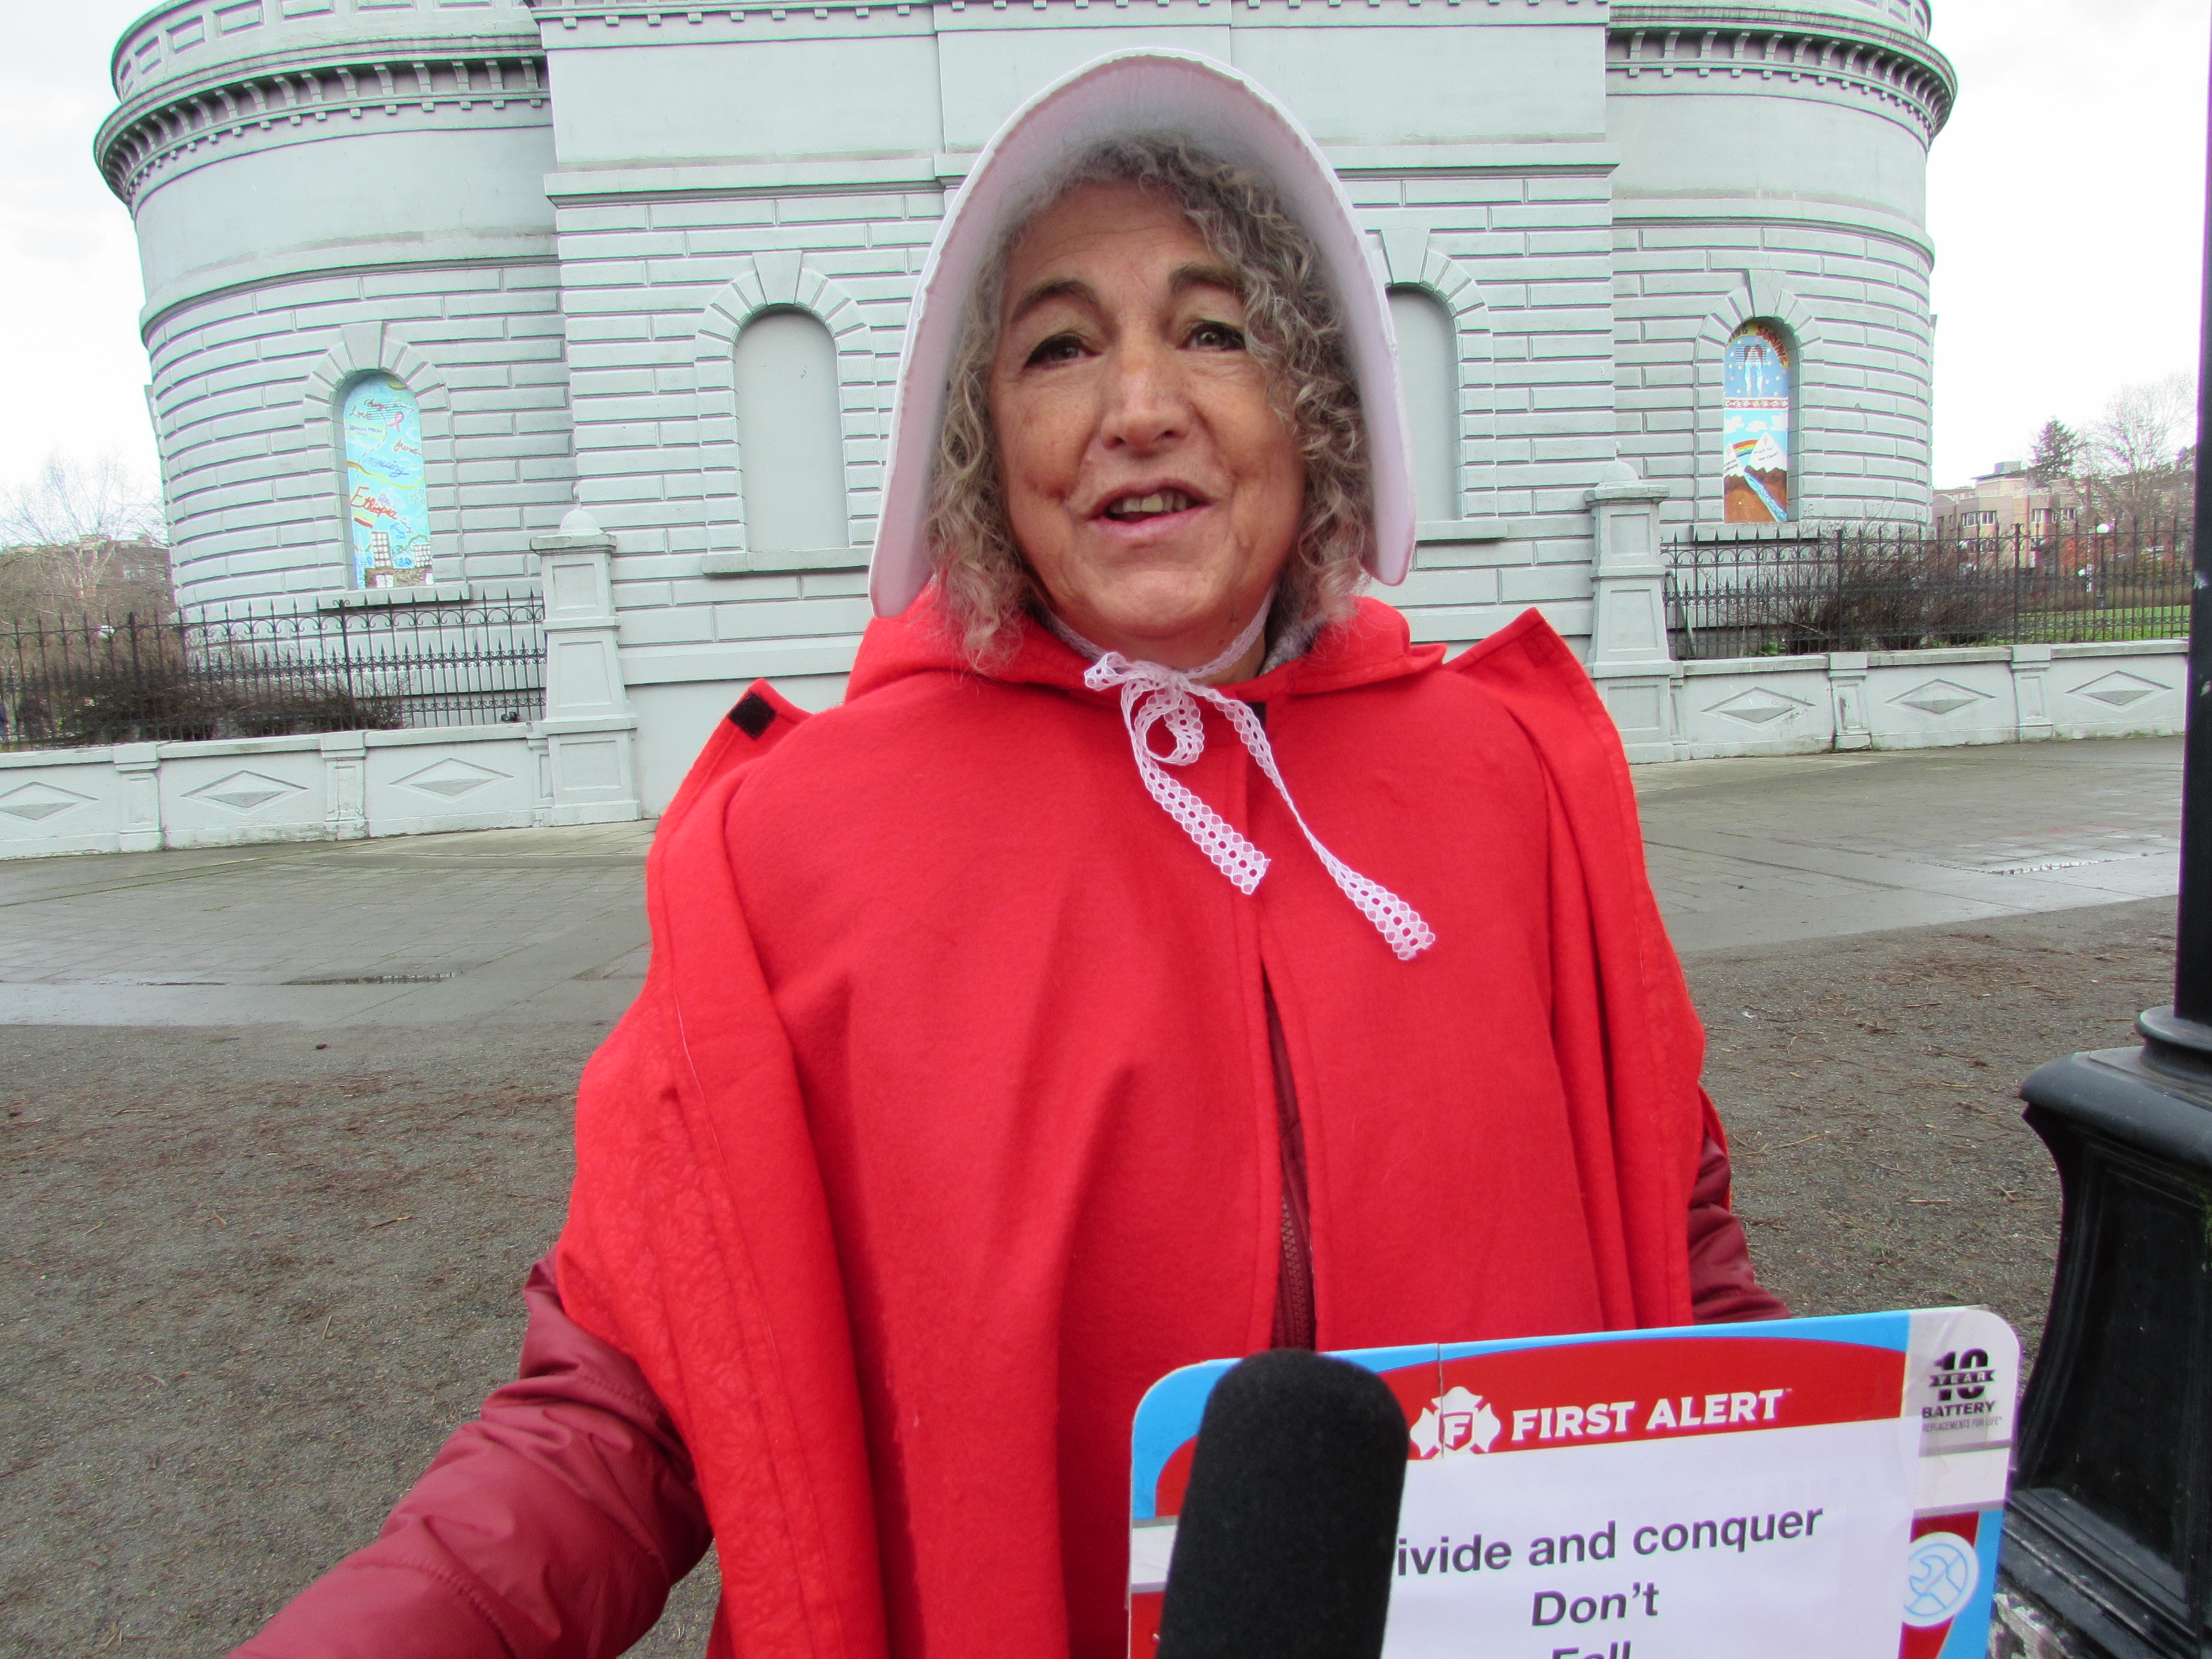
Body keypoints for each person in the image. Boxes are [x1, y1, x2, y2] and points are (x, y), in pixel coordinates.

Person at [235, 49, 1781, 1659]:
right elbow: (623, 1397)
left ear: (1314, 403)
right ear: (978, 440)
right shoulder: (800, 852)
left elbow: (1673, 1248)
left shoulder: (1511, 784)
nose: (1140, 407)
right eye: (1059, 346)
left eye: (1215, 331)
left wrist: (1851, 1507)